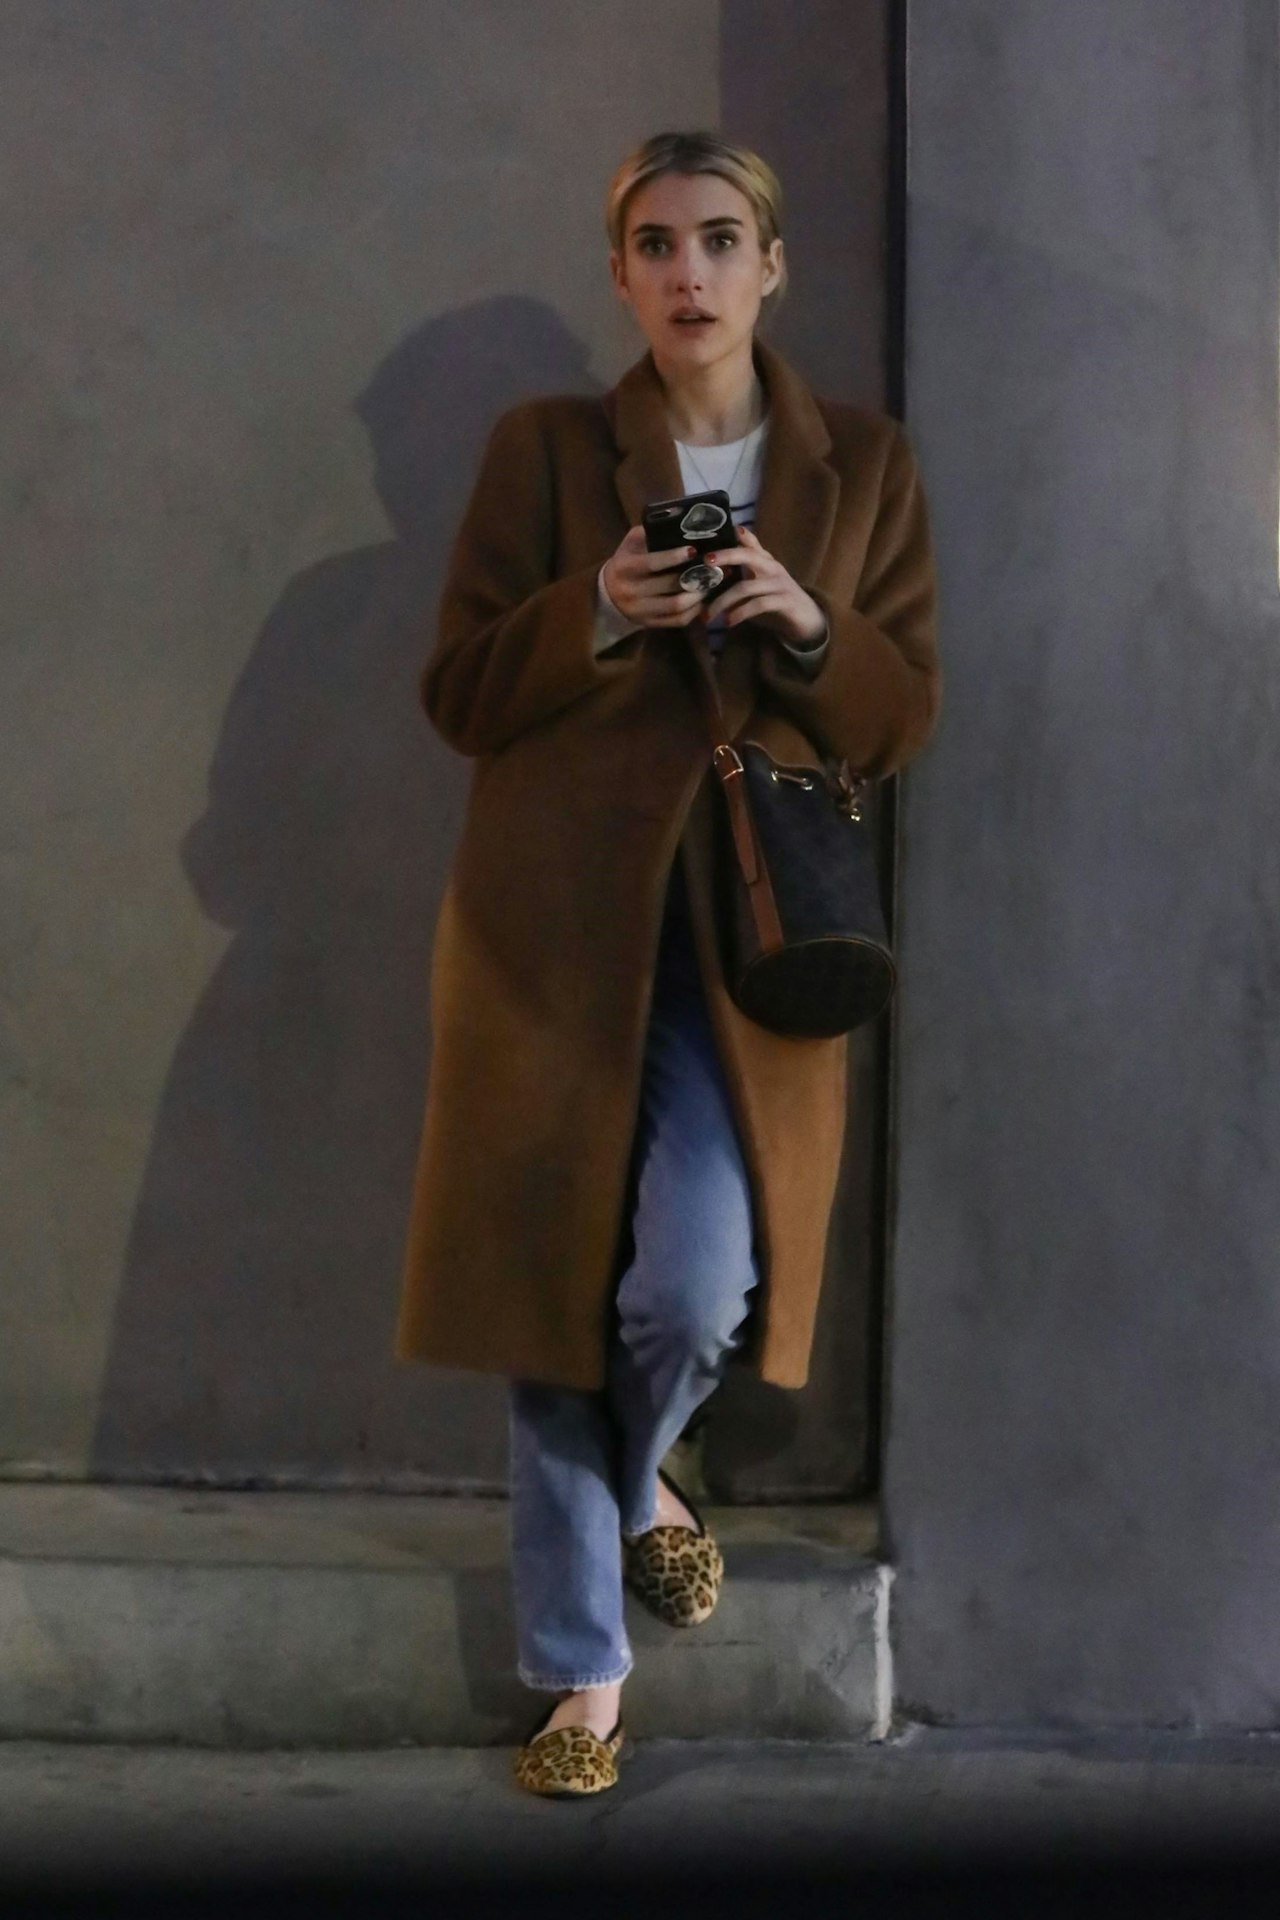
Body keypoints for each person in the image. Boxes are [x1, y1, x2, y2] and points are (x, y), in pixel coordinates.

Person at [392, 130, 941, 1797]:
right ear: (620, 273)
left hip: (753, 944)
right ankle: (582, 1676)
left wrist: (805, 623)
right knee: (544, 1289)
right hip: (551, 936)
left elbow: (902, 718)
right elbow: (461, 693)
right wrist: (603, 609)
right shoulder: (548, 450)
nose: (687, 272)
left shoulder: (863, 466)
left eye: (716, 240)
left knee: (688, 1292)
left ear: (771, 266)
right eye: (654, 244)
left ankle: (642, 1488)